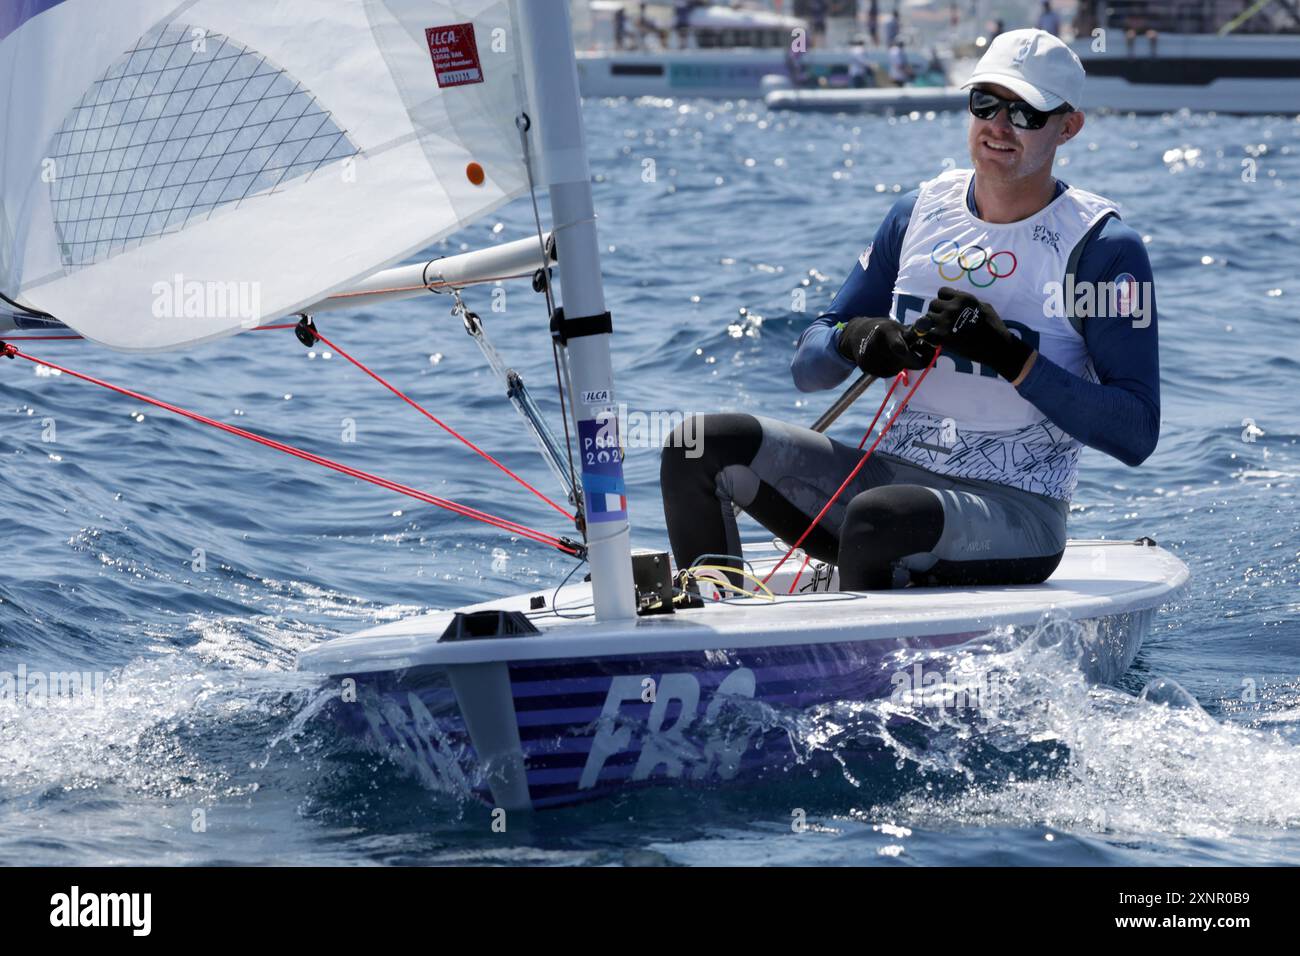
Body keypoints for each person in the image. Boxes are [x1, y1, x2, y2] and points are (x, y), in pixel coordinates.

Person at [660, 29, 1160, 592]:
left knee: (881, 519)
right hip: (887, 482)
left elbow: (1137, 433)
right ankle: (711, 627)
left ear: (1068, 127)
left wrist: (1011, 357)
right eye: (985, 103)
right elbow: (808, 368)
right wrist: (855, 340)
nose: (999, 125)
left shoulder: (1105, 250)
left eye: (1025, 113)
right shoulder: (917, 213)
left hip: (1016, 510)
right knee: (696, 444)